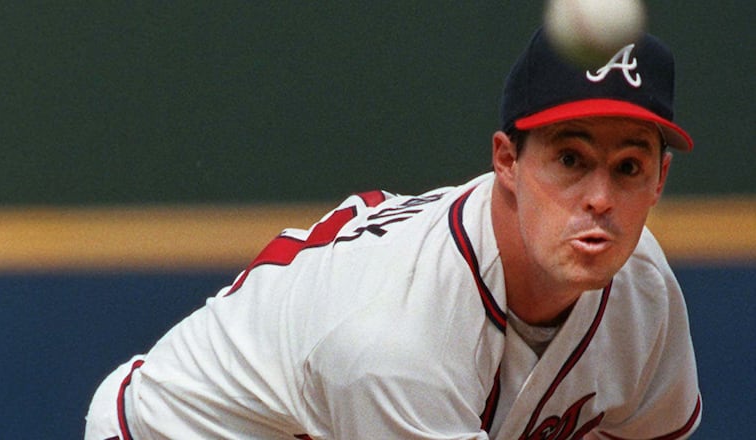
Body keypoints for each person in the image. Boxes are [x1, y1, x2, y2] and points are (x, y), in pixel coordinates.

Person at [86, 27, 701, 439]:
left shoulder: (643, 290)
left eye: (628, 167)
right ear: (507, 162)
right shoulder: (398, 342)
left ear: (659, 180)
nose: (599, 199)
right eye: (570, 159)